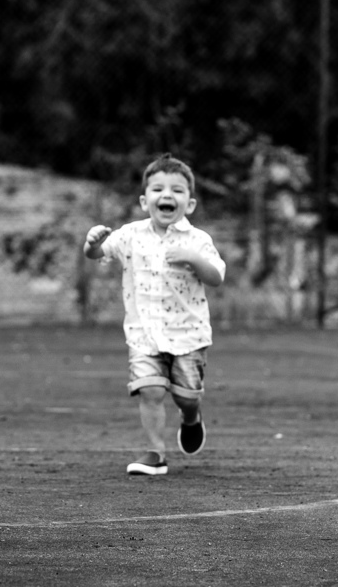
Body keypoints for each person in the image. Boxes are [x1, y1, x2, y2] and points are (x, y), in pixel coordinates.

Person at [83, 154, 226, 475]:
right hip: (143, 333)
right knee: (150, 390)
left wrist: (193, 258)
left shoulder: (198, 240)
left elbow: (216, 276)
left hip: (189, 334)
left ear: (189, 204)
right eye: (158, 189)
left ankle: (191, 418)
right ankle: (155, 454)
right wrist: (92, 243)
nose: (167, 195)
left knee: (187, 396)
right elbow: (97, 254)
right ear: (144, 199)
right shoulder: (130, 234)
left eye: (177, 190)